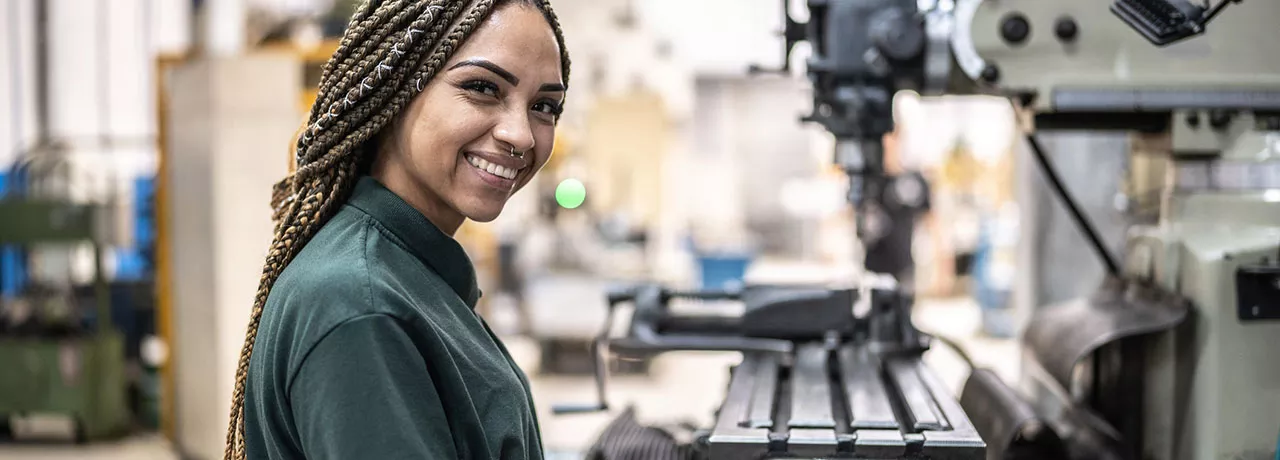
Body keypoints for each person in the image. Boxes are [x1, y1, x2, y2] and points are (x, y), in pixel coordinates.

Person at [223, 1, 571, 459]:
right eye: (483, 88)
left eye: (544, 106)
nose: (522, 135)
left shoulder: (410, 274)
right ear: (395, 88)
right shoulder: (360, 303)